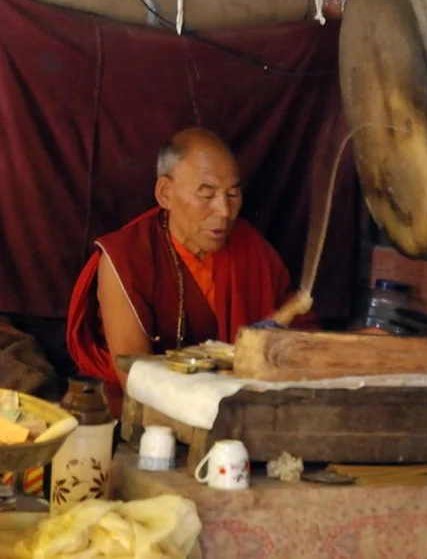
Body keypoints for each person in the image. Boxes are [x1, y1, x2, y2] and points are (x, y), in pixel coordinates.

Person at [66, 128, 297, 412]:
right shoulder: (126, 256)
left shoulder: (249, 247)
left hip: (242, 406)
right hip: (151, 412)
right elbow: (135, 376)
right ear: (165, 193)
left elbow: (297, 338)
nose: (224, 211)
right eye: (207, 194)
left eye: (233, 194)